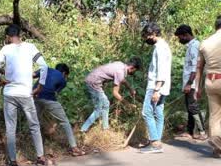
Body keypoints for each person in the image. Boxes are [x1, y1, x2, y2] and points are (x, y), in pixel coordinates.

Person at [0, 24, 49, 166]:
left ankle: (13, 162)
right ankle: (40, 157)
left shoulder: (5, 49)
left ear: (7, 37)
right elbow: (44, 66)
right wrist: (39, 86)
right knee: (34, 125)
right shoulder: (30, 47)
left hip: (9, 93)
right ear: (20, 35)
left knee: (11, 128)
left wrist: (0, 80)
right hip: (25, 93)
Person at [32, 63, 84, 156]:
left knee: (35, 123)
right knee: (65, 122)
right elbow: (55, 93)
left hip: (34, 95)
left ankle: (36, 151)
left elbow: (32, 75)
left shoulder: (46, 69)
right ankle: (74, 148)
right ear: (64, 73)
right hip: (49, 99)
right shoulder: (63, 80)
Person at [80, 58, 140, 133]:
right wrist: (128, 104)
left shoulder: (120, 64)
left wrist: (130, 88)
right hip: (94, 83)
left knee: (105, 105)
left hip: (92, 79)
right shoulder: (120, 73)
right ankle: (83, 130)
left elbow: (122, 80)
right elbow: (115, 93)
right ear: (132, 68)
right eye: (135, 70)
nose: (134, 72)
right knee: (99, 109)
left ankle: (105, 129)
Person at [140, 22, 172, 154]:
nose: (145, 39)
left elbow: (162, 69)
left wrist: (156, 90)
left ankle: (154, 143)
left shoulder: (160, 47)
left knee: (146, 112)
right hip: (162, 86)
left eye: (146, 35)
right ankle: (157, 142)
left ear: (153, 34)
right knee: (158, 113)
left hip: (156, 86)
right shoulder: (164, 46)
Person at [174, 25, 207, 140]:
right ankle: (190, 131)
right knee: (189, 107)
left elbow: (195, 68)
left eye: (180, 37)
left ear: (186, 35)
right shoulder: (191, 46)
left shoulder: (194, 46)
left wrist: (189, 83)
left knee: (193, 107)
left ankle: (202, 132)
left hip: (192, 83)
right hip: (189, 82)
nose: (179, 40)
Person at [197, 16, 221, 158]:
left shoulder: (205, 43)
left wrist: (197, 88)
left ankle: (218, 148)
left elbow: (199, 67)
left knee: (215, 116)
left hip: (210, 82)